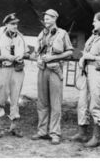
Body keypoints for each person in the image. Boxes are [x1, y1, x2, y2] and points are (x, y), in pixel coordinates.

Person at [70, 11, 100, 148]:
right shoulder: (94, 36)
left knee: (95, 104)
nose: (93, 23)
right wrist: (83, 59)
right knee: (82, 102)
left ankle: (96, 137)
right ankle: (82, 133)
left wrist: (93, 57)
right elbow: (87, 52)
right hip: (86, 72)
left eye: (95, 20)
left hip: (97, 72)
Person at [31, 9, 74, 145]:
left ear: (55, 18)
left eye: (48, 18)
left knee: (55, 104)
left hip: (55, 70)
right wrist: (37, 58)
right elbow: (36, 52)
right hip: (42, 70)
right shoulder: (41, 34)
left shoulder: (62, 34)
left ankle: (55, 133)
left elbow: (69, 52)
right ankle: (42, 131)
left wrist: (53, 57)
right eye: (45, 18)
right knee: (42, 102)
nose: (46, 20)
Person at [0, 13, 29, 138]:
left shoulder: (21, 37)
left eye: (16, 24)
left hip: (17, 70)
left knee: (15, 99)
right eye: (12, 24)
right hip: (4, 69)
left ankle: (14, 127)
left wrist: (22, 57)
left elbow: (27, 53)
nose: (15, 26)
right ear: (6, 25)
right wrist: (5, 57)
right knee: (0, 98)